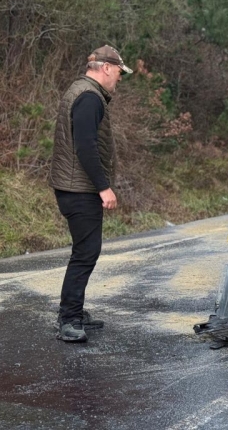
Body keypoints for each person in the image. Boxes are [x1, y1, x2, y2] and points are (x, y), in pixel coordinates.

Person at [48, 45, 132, 342]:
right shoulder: (90, 97)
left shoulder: (81, 90)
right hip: (79, 189)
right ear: (106, 68)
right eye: (119, 72)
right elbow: (85, 145)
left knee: (84, 251)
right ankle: (68, 320)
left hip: (72, 186)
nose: (119, 79)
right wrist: (103, 187)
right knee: (85, 253)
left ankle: (75, 311)